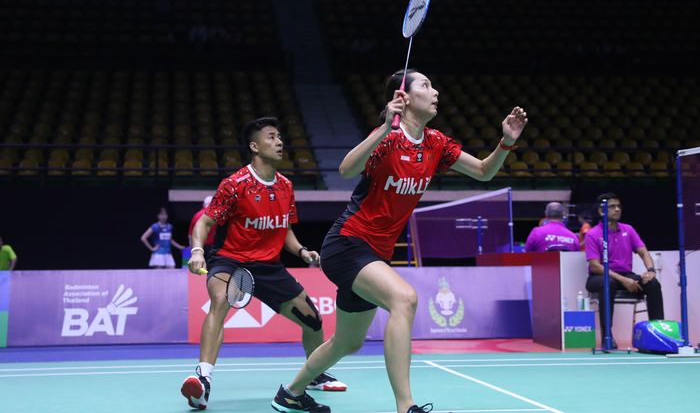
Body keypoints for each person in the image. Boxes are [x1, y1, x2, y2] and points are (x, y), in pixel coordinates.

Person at [271, 69, 528, 413]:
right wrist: (383, 128)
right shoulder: (387, 140)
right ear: (404, 98)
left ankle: (290, 393)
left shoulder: (436, 143)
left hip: (375, 254)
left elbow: (484, 171)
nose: (435, 91)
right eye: (426, 85)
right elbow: (346, 170)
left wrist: (506, 141)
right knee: (404, 299)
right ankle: (406, 407)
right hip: (348, 243)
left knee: (347, 342)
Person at [182, 117, 347, 411]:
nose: (280, 142)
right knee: (219, 302)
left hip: (269, 267)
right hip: (229, 261)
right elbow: (205, 222)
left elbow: (284, 229)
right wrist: (196, 251)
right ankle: (203, 381)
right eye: (272, 137)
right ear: (255, 146)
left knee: (313, 321)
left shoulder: (285, 186)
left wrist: (301, 251)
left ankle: (314, 375)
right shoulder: (234, 185)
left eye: (280, 136)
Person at [584, 192, 664, 347]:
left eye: (619, 206)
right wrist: (624, 280)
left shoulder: (629, 229)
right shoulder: (593, 234)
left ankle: (658, 332)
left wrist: (651, 270)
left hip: (626, 275)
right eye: (612, 206)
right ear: (602, 211)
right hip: (599, 277)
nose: (617, 209)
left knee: (653, 284)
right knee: (609, 284)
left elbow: (643, 251)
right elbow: (595, 266)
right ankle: (608, 337)